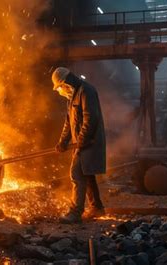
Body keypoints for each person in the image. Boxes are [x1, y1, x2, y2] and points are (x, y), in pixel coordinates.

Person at [52, 67, 107, 224]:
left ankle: (75, 213)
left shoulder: (86, 91)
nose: (60, 91)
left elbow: (91, 118)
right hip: (82, 143)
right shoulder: (72, 96)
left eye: (60, 87)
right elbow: (68, 123)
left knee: (76, 174)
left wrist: (81, 141)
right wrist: (62, 142)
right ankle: (97, 208)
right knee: (87, 174)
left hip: (90, 142)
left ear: (65, 82)